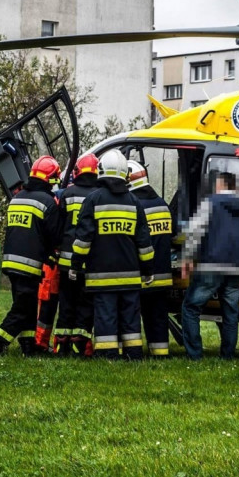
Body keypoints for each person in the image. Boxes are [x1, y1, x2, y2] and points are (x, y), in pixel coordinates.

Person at [71, 149, 155, 360]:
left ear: (101, 171)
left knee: (105, 316)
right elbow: (144, 242)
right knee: (130, 318)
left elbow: (83, 240)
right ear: (124, 173)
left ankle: (108, 355)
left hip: (101, 277)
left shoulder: (93, 200)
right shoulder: (134, 202)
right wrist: (148, 270)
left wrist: (76, 265)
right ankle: (133, 354)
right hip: (130, 276)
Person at [0, 155, 64, 356]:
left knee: (27, 306)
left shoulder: (17, 198)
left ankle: (28, 346)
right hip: (29, 265)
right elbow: (54, 236)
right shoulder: (48, 201)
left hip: (11, 262)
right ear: (51, 178)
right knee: (22, 309)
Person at [181, 171, 239, 360]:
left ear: (221, 184)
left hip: (211, 265)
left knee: (191, 308)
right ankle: (227, 355)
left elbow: (195, 231)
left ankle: (195, 355)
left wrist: (188, 258)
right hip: (237, 268)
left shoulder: (211, 203)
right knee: (231, 313)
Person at [50, 152, 100, 356]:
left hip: (66, 260)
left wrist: (56, 247)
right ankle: (80, 346)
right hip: (90, 261)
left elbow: (58, 226)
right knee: (85, 304)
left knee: (66, 302)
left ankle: (61, 345)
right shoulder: (99, 195)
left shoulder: (67, 194)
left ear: (77, 172)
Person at [128, 160, 176, 357]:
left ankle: (133, 352)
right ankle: (160, 351)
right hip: (163, 274)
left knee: (133, 315)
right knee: (158, 316)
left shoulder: (135, 207)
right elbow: (172, 236)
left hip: (142, 274)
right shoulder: (162, 205)